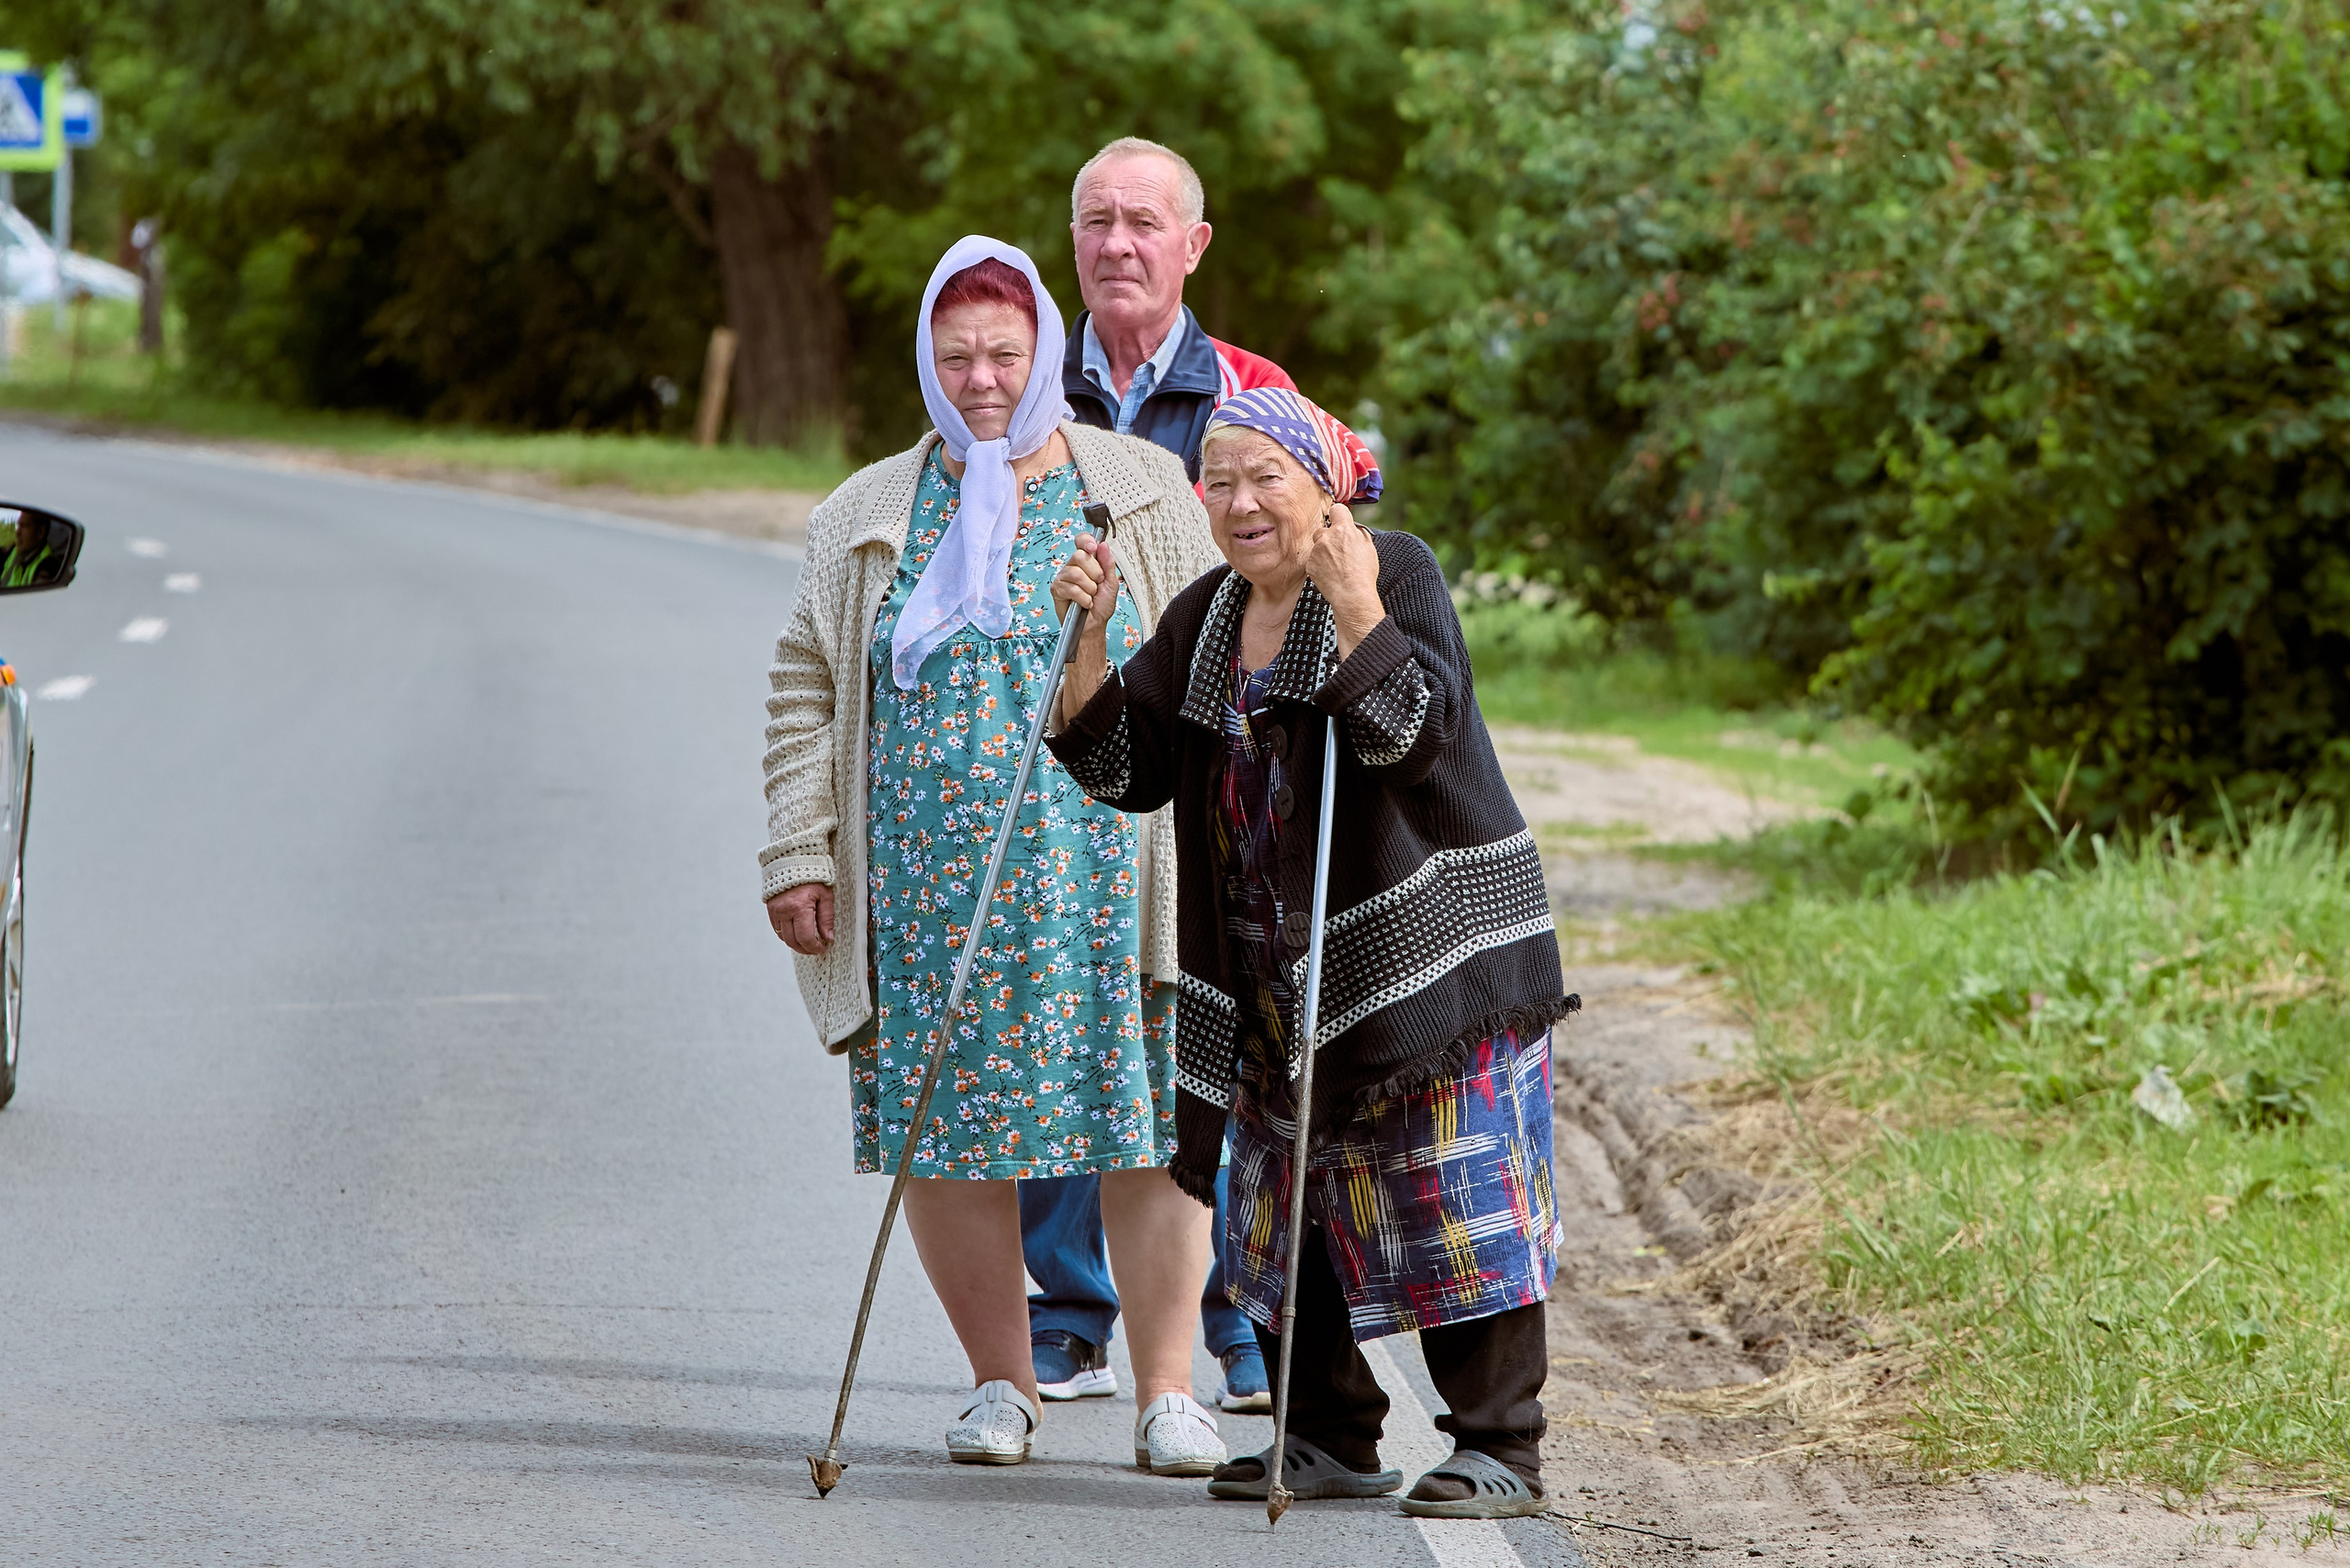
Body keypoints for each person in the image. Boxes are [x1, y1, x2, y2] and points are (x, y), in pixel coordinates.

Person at [1043, 387, 1574, 1519]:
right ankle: (1328, 1432)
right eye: (1219, 480)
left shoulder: (1396, 572)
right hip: (1271, 974)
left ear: (1325, 488)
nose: (1238, 503)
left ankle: (1501, 1446)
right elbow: (1119, 771)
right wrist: (1086, 643)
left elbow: (1415, 742)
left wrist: (1356, 608)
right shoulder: (1205, 617)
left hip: (1430, 951)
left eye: (1263, 478)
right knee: (1294, 1201)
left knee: (1446, 1190)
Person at [759, 236, 1227, 1475]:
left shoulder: (1136, 487)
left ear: (1045, 354)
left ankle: (1167, 1393)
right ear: (927, 356)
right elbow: (807, 684)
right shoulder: (867, 509)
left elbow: (1216, 648)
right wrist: (797, 849)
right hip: (922, 881)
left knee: (1143, 1122)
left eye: (1005, 354)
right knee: (948, 1128)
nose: (980, 379)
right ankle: (1002, 1386)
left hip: (1114, 871)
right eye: (956, 354)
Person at [1023, 134, 1297, 1418]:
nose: (1118, 243)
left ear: (1193, 246)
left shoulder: (1246, 392)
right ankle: (1070, 1313)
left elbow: (1315, 535)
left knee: (1209, 1029)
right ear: (1072, 241)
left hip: (1203, 760)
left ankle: (1233, 1327)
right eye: (1097, 220)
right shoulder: (1021, 381)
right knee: (1065, 1023)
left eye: (1145, 221)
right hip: (1054, 751)